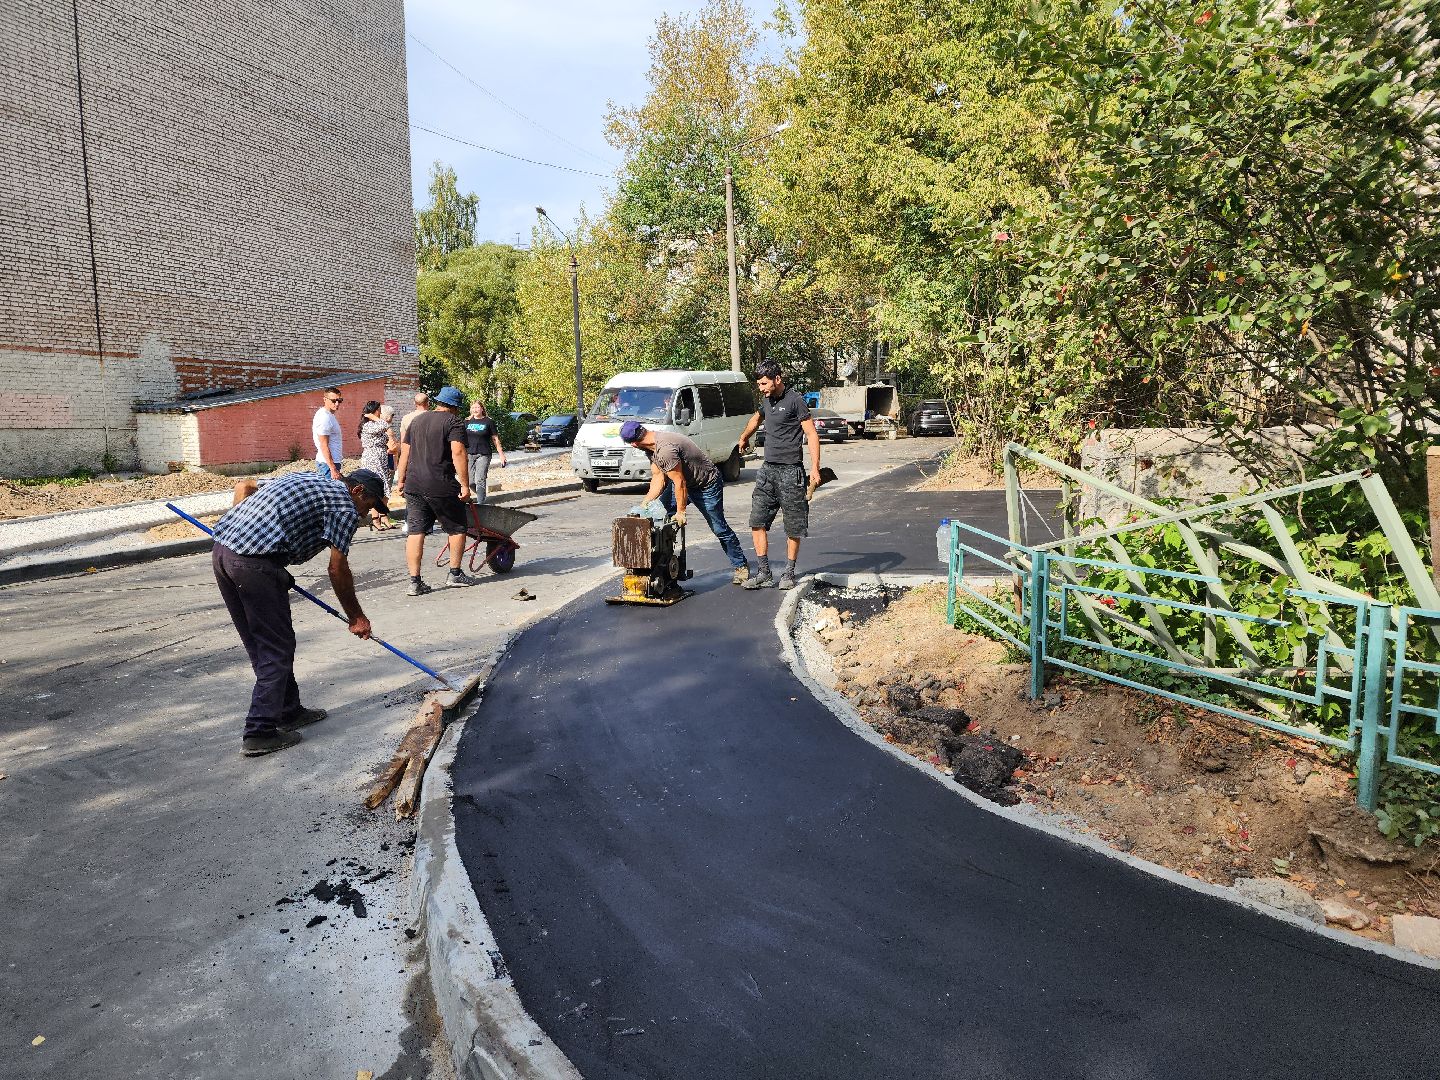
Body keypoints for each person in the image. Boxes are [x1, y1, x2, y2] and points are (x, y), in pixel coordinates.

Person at [210, 468, 385, 757]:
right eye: (369, 504)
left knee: (262, 643)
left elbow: (245, 486)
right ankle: (259, 732)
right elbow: (337, 569)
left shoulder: (309, 477)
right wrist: (356, 617)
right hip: (252, 563)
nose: (367, 513)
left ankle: (288, 711)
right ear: (356, 491)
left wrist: (245, 536)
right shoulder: (345, 508)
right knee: (275, 648)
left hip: (224, 552)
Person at [620, 420, 750, 584]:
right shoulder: (650, 448)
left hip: (706, 484)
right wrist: (645, 503)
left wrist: (681, 512)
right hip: (685, 483)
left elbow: (679, 482)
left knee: (719, 528)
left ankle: (740, 565)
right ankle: (663, 568)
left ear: (633, 444)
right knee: (661, 517)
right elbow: (659, 478)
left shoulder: (665, 449)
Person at [737, 361, 821, 590]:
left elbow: (812, 434)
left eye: (764, 383)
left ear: (777, 379)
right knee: (757, 521)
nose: (761, 388)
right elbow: (756, 418)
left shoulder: (795, 400)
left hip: (791, 472)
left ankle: (789, 573)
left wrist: (815, 467)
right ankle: (764, 573)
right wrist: (744, 437)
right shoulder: (767, 400)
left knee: (793, 526)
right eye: (759, 384)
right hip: (767, 471)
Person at [394, 385, 479, 594]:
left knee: (415, 531)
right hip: (441, 483)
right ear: (455, 407)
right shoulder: (453, 422)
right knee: (457, 527)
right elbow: (458, 452)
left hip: (414, 484)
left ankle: (414, 582)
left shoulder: (416, 420)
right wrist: (465, 485)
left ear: (438, 402)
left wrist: (400, 480)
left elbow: (404, 453)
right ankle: (455, 574)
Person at [357, 401, 395, 530]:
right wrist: (372, 416)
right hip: (373, 460)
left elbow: (388, 431)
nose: (380, 413)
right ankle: (375, 519)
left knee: (384, 489)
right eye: (379, 410)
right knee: (375, 489)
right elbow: (385, 425)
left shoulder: (375, 424)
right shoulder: (369, 425)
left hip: (382, 458)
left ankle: (383, 516)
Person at [463, 401, 507, 505]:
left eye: (477, 407)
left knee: (480, 479)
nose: (475, 409)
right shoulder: (466, 422)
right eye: (473, 407)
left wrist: (501, 454)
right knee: (470, 482)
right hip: (469, 454)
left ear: (482, 409)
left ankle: (481, 504)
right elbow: (462, 438)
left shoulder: (488, 421)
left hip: (484, 454)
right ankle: (481, 496)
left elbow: (495, 439)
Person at [312, 386, 345, 479]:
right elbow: (323, 445)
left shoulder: (329, 415)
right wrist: (332, 468)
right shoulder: (324, 417)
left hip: (330, 463)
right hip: (328, 465)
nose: (337, 403)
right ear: (325, 399)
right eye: (334, 401)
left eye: (339, 400)